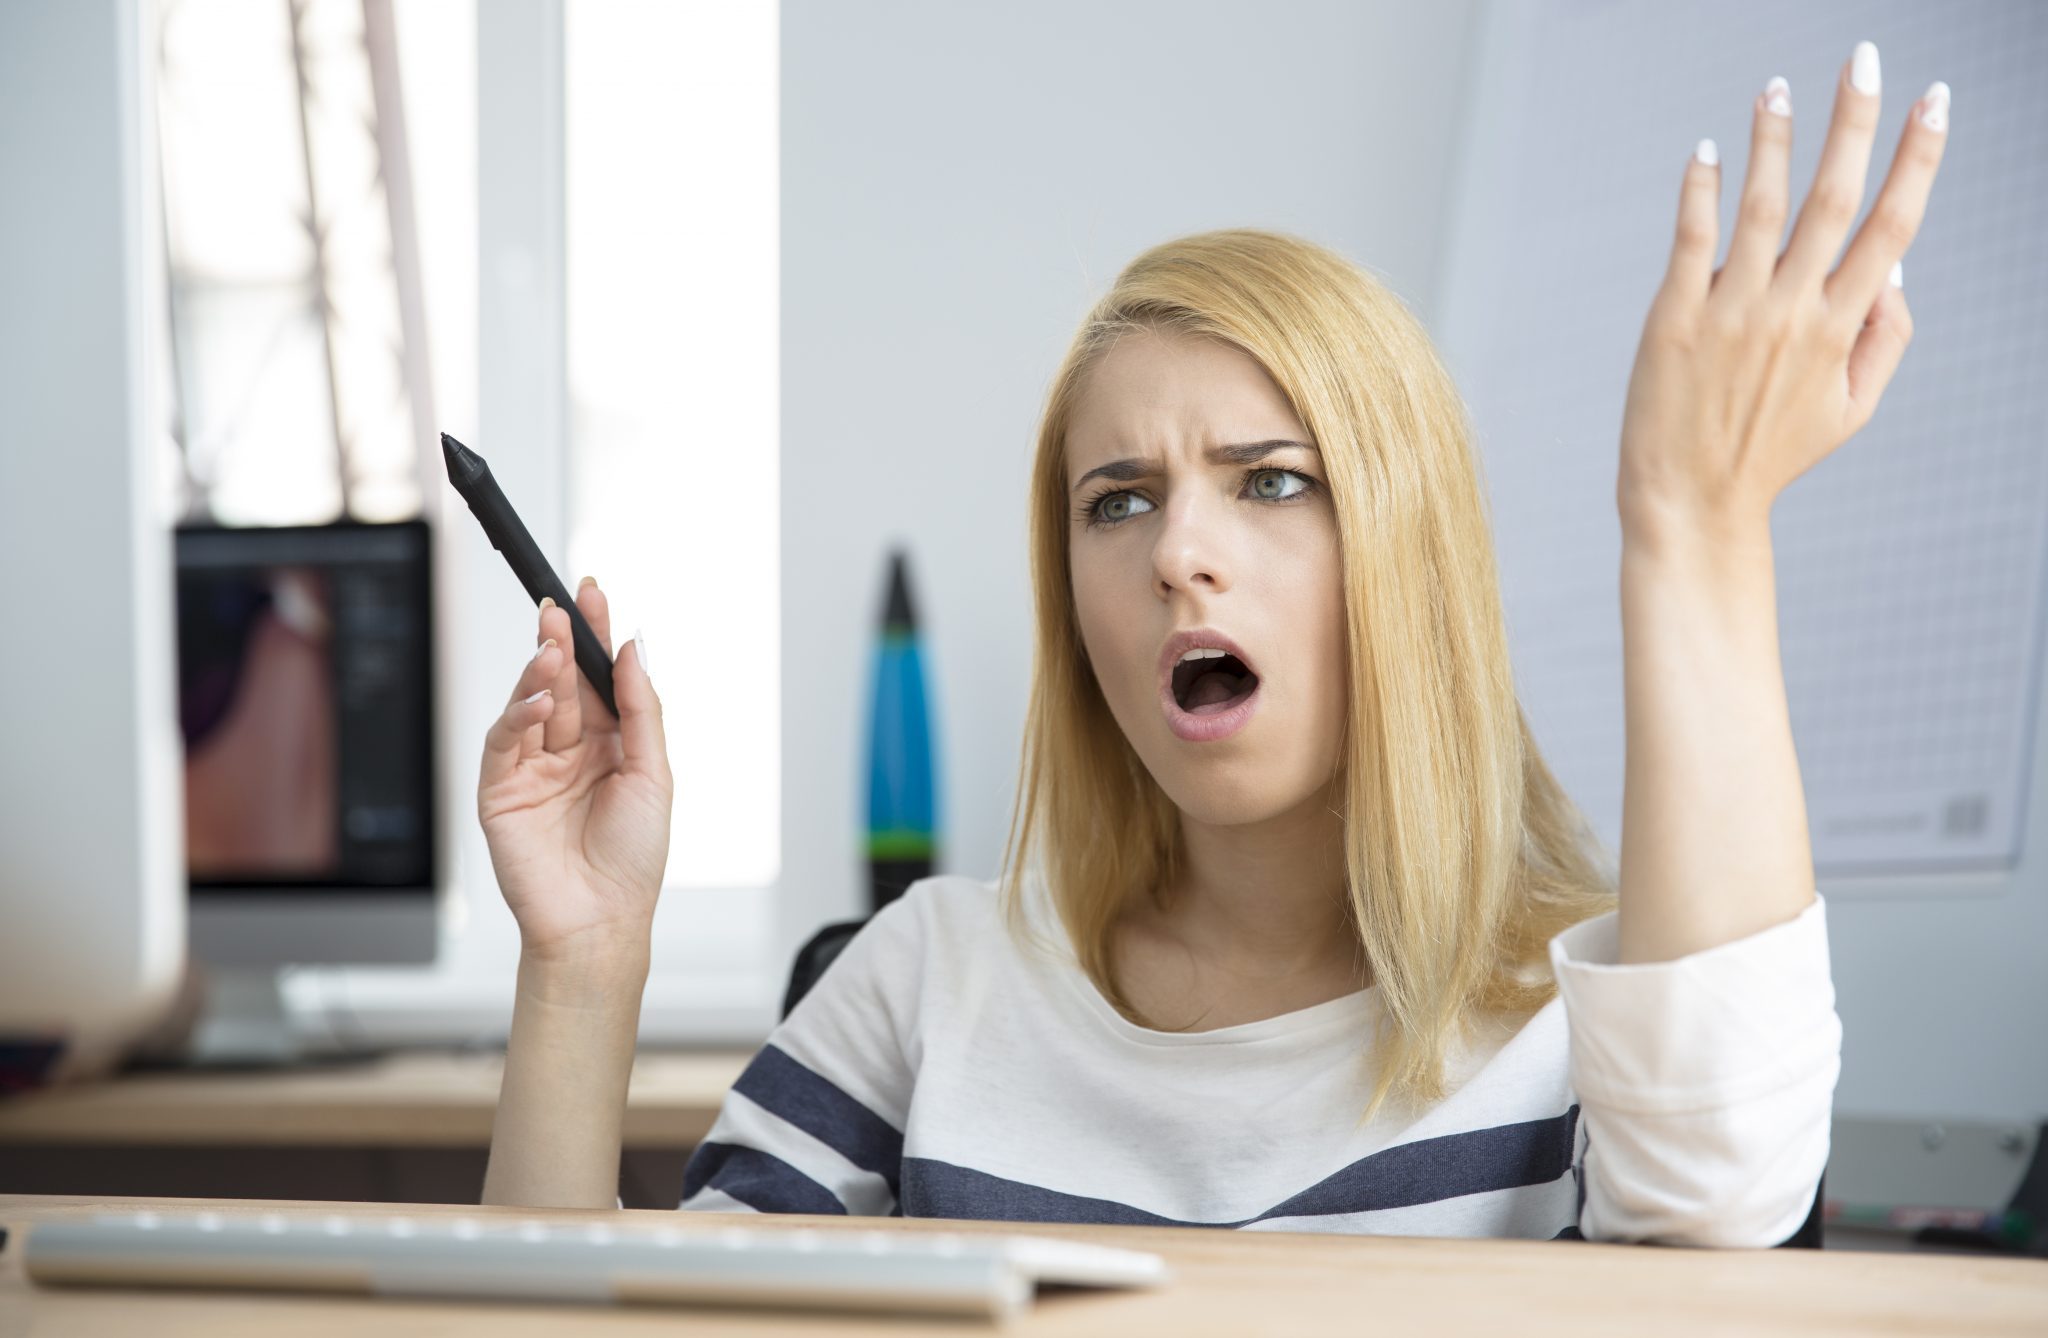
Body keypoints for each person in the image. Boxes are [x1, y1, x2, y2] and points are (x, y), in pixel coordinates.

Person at [477, 44, 1947, 1243]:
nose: (1178, 549)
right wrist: (585, 960)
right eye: (1117, 502)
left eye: (1273, 480)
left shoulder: (1591, 1016)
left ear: (1406, 551)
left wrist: (1690, 521)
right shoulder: (924, 977)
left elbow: (1725, 1227)